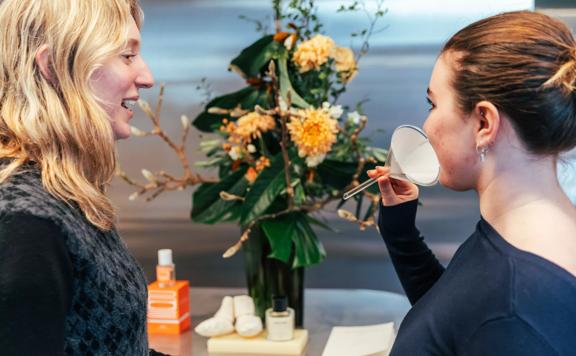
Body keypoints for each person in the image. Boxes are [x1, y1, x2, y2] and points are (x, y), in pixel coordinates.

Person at [368, 11, 576, 355]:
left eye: (432, 104)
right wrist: (399, 231)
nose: (427, 123)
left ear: (484, 122)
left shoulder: (515, 305)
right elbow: (454, 323)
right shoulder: (523, 235)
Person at [0, 0, 164, 355]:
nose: (147, 76)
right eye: (126, 55)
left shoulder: (61, 193)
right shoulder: (25, 222)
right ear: (54, 67)